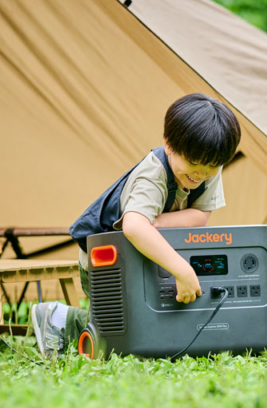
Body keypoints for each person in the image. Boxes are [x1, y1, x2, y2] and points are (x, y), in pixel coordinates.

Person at [31, 93, 241, 359]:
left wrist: (160, 222)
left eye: (211, 168)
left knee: (157, 325)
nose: (199, 175)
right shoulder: (152, 176)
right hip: (107, 261)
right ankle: (59, 317)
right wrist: (182, 270)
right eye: (193, 164)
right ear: (169, 145)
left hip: (148, 253)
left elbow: (201, 214)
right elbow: (133, 227)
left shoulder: (208, 161)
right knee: (128, 332)